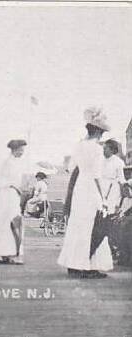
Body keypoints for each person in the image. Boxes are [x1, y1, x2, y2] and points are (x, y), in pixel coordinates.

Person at [58, 108, 113, 278]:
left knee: (77, 226)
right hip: (90, 188)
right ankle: (86, 265)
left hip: (79, 188)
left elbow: (71, 167)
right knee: (93, 226)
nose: (102, 135)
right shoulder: (97, 149)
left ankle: (75, 264)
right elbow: (96, 175)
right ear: (97, 130)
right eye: (102, 132)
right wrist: (102, 197)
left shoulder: (79, 145)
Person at [101, 139, 126, 214]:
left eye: (105, 149)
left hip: (112, 191)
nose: (103, 151)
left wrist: (121, 198)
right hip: (100, 189)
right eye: (103, 148)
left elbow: (121, 180)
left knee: (109, 213)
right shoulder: (100, 160)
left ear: (112, 150)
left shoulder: (119, 162)